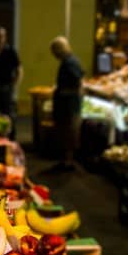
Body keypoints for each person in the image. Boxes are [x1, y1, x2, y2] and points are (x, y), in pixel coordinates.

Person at [50, 36, 85, 170]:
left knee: (68, 132)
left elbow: (77, 83)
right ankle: (66, 160)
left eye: (54, 52)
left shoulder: (69, 63)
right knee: (68, 132)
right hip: (69, 103)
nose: (54, 55)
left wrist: (61, 91)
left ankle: (68, 161)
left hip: (68, 105)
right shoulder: (72, 60)